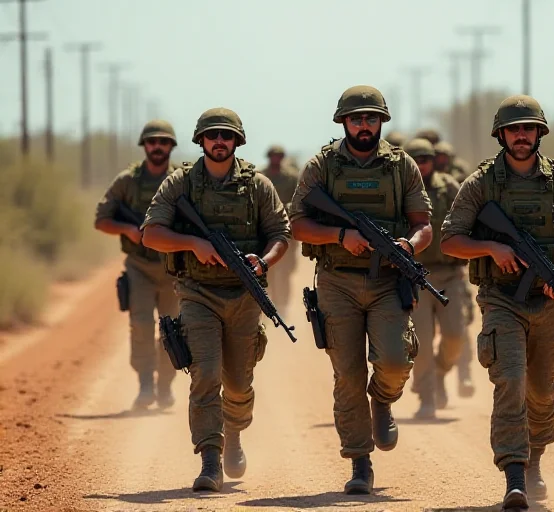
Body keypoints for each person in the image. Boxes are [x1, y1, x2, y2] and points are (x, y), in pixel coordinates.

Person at [440, 95, 554, 508]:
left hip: (551, 302)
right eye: (514, 129)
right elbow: (450, 240)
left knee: (542, 392)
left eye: (528, 128)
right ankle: (514, 474)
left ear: (539, 132)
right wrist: (492, 248)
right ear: (502, 135)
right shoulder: (482, 183)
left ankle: (535, 458)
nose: (521, 136)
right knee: (510, 379)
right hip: (500, 299)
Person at [289, 85, 432, 495]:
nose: (364, 125)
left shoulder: (402, 166)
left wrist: (409, 245)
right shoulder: (321, 166)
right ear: (343, 123)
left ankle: (383, 400)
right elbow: (296, 224)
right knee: (347, 375)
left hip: (389, 281)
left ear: (381, 122)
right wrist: (340, 235)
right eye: (356, 119)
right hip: (337, 281)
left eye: (371, 118)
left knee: (393, 360)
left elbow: (423, 224)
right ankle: (359, 462)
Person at [141, 108, 291, 492]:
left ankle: (235, 433)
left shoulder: (257, 185)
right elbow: (152, 234)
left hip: (244, 295)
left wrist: (264, 260)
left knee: (239, 384)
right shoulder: (181, 184)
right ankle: (210, 459)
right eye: (212, 136)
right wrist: (193, 242)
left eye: (226, 135)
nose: (219, 141)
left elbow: (280, 234)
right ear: (201, 141)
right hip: (196, 292)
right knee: (205, 374)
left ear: (237, 141)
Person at [94, 120, 180, 410]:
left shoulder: (181, 180)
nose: (158, 147)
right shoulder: (126, 182)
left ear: (171, 146)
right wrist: (128, 230)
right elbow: (101, 220)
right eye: (152, 142)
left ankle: (165, 385)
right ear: (144, 146)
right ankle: (145, 384)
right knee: (141, 326)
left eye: (164, 142)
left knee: (173, 329)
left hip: (173, 269)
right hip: (139, 267)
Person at [401, 138, 468, 419]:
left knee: (455, 334)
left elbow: (469, 216)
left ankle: (441, 372)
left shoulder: (449, 187)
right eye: (416, 160)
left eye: (426, 159)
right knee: (423, 343)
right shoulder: (403, 188)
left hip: (449, 273)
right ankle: (427, 397)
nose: (422, 165)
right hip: (416, 276)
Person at [433, 140, 475, 398]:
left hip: (454, 268)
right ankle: (431, 385)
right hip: (425, 268)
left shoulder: (455, 182)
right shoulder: (420, 182)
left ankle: (464, 373)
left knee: (459, 327)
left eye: (441, 155)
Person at [260, 145, 300, 313]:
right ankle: (266, 305)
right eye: (273, 155)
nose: (276, 159)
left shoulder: (291, 177)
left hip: (286, 229)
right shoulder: (261, 176)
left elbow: (298, 201)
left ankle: (282, 306)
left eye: (279, 156)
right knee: (265, 269)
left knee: (285, 271)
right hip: (264, 231)